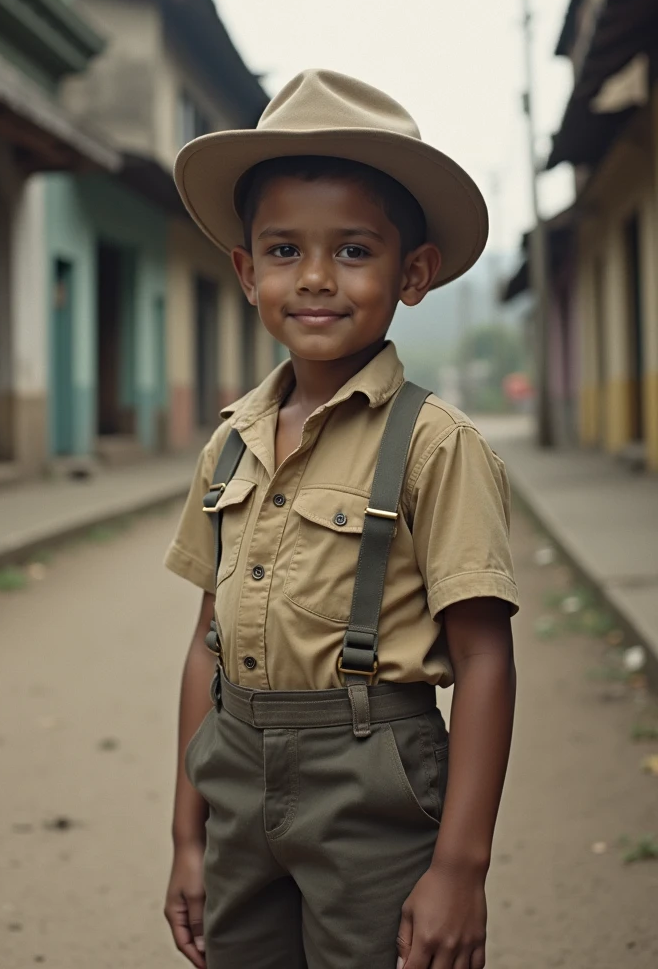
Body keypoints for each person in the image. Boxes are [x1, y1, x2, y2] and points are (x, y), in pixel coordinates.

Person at [163, 69, 519, 969]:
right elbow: (207, 641)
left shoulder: (438, 445)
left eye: (354, 251)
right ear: (246, 272)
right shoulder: (232, 444)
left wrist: (461, 870)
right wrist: (188, 839)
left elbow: (483, 658)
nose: (315, 278)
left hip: (375, 785)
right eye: (283, 251)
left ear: (414, 273)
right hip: (237, 775)